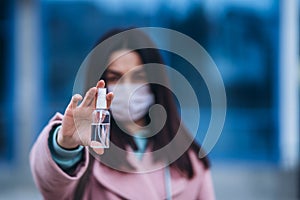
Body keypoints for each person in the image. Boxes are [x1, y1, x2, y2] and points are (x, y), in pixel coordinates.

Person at [30, 28, 215, 200]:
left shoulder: (189, 160)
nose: (128, 88)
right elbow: (51, 187)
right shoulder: (86, 153)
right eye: (115, 77)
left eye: (138, 77)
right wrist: (65, 146)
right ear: (99, 84)